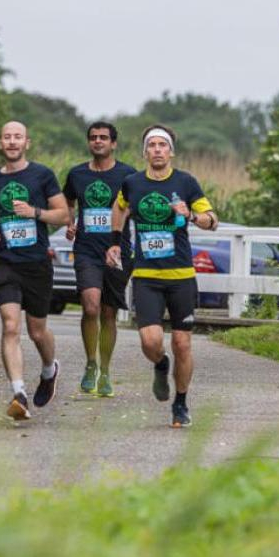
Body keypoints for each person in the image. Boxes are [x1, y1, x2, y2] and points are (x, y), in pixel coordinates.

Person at [106, 125, 218, 427]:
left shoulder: (186, 182)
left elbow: (213, 221)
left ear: (171, 151)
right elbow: (119, 208)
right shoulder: (132, 183)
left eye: (162, 145)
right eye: (151, 145)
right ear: (145, 151)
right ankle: (160, 363)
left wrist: (191, 214)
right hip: (146, 275)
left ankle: (180, 402)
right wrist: (115, 242)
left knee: (182, 343)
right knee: (150, 341)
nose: (157, 150)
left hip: (181, 275)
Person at [0, 121, 70, 420]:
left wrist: (34, 212)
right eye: (7, 137)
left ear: (26, 143)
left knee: (36, 330)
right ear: (0, 143)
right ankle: (18, 393)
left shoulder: (42, 175)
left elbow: (63, 214)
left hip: (36, 264)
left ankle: (49, 369)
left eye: (17, 137)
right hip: (5, 261)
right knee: (10, 326)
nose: (12, 142)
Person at [63, 123, 135, 397]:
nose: (98, 141)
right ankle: (90, 364)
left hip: (116, 251)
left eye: (103, 138)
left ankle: (105, 370)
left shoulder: (127, 174)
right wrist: (71, 222)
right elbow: (67, 201)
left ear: (113, 144)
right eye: (93, 137)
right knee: (90, 306)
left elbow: (133, 206)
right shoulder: (77, 174)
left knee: (108, 313)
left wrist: (122, 222)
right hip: (86, 250)